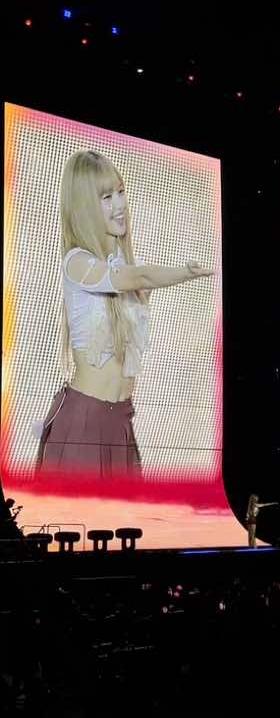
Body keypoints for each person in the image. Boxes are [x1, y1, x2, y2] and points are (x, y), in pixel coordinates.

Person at [36, 149, 212, 478]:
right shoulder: (77, 262)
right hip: (84, 423)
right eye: (106, 196)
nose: (119, 205)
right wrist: (187, 273)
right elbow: (140, 277)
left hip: (120, 424)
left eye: (120, 192)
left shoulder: (119, 263)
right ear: (85, 206)